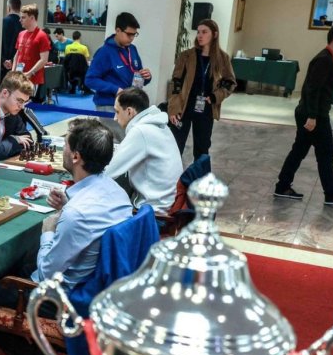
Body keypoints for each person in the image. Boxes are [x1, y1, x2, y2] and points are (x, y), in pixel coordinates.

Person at [0, 119, 133, 355]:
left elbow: (47, 275)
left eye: (65, 145)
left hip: (67, 298)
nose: (62, 150)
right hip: (103, 287)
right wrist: (67, 204)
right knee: (18, 261)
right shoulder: (117, 191)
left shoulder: (77, 214)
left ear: (75, 156)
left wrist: (48, 232)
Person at [274, 23, 333, 206]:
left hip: (312, 113)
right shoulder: (324, 60)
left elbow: (331, 90)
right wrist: (312, 116)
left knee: (299, 150)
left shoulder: (331, 59)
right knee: (326, 152)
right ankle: (331, 194)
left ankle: (282, 186)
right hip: (314, 115)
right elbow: (312, 90)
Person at [167, 19, 236, 161]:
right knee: (175, 146)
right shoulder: (186, 56)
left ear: (214, 34)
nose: (200, 35)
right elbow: (176, 83)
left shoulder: (222, 58)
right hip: (184, 107)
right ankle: (173, 175)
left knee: (202, 149)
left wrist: (215, 96)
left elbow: (230, 82)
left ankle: (200, 175)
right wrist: (173, 108)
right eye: (198, 32)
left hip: (206, 109)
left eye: (204, 32)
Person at [105, 88, 182, 213]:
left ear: (129, 112)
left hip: (153, 210)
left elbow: (109, 173)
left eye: (117, 112)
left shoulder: (140, 131)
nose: (115, 118)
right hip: (166, 201)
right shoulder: (158, 124)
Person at [86, 12, 150, 114]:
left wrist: (146, 77)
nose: (132, 38)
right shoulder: (104, 52)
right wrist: (115, 89)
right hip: (109, 105)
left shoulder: (132, 49)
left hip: (130, 104)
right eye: (129, 34)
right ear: (118, 30)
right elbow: (90, 80)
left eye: (134, 34)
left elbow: (138, 75)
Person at [9, 4, 51, 93]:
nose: (20, 20)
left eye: (23, 17)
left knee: (27, 100)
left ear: (32, 18)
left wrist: (29, 73)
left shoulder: (42, 36)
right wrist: (13, 72)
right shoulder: (21, 34)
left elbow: (44, 60)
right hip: (18, 76)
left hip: (32, 79)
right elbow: (17, 54)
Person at [0, 0, 22, 81]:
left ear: (8, 8)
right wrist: (12, 61)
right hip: (18, 65)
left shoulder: (2, 22)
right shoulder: (23, 24)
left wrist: (3, 60)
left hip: (1, 66)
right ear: (19, 8)